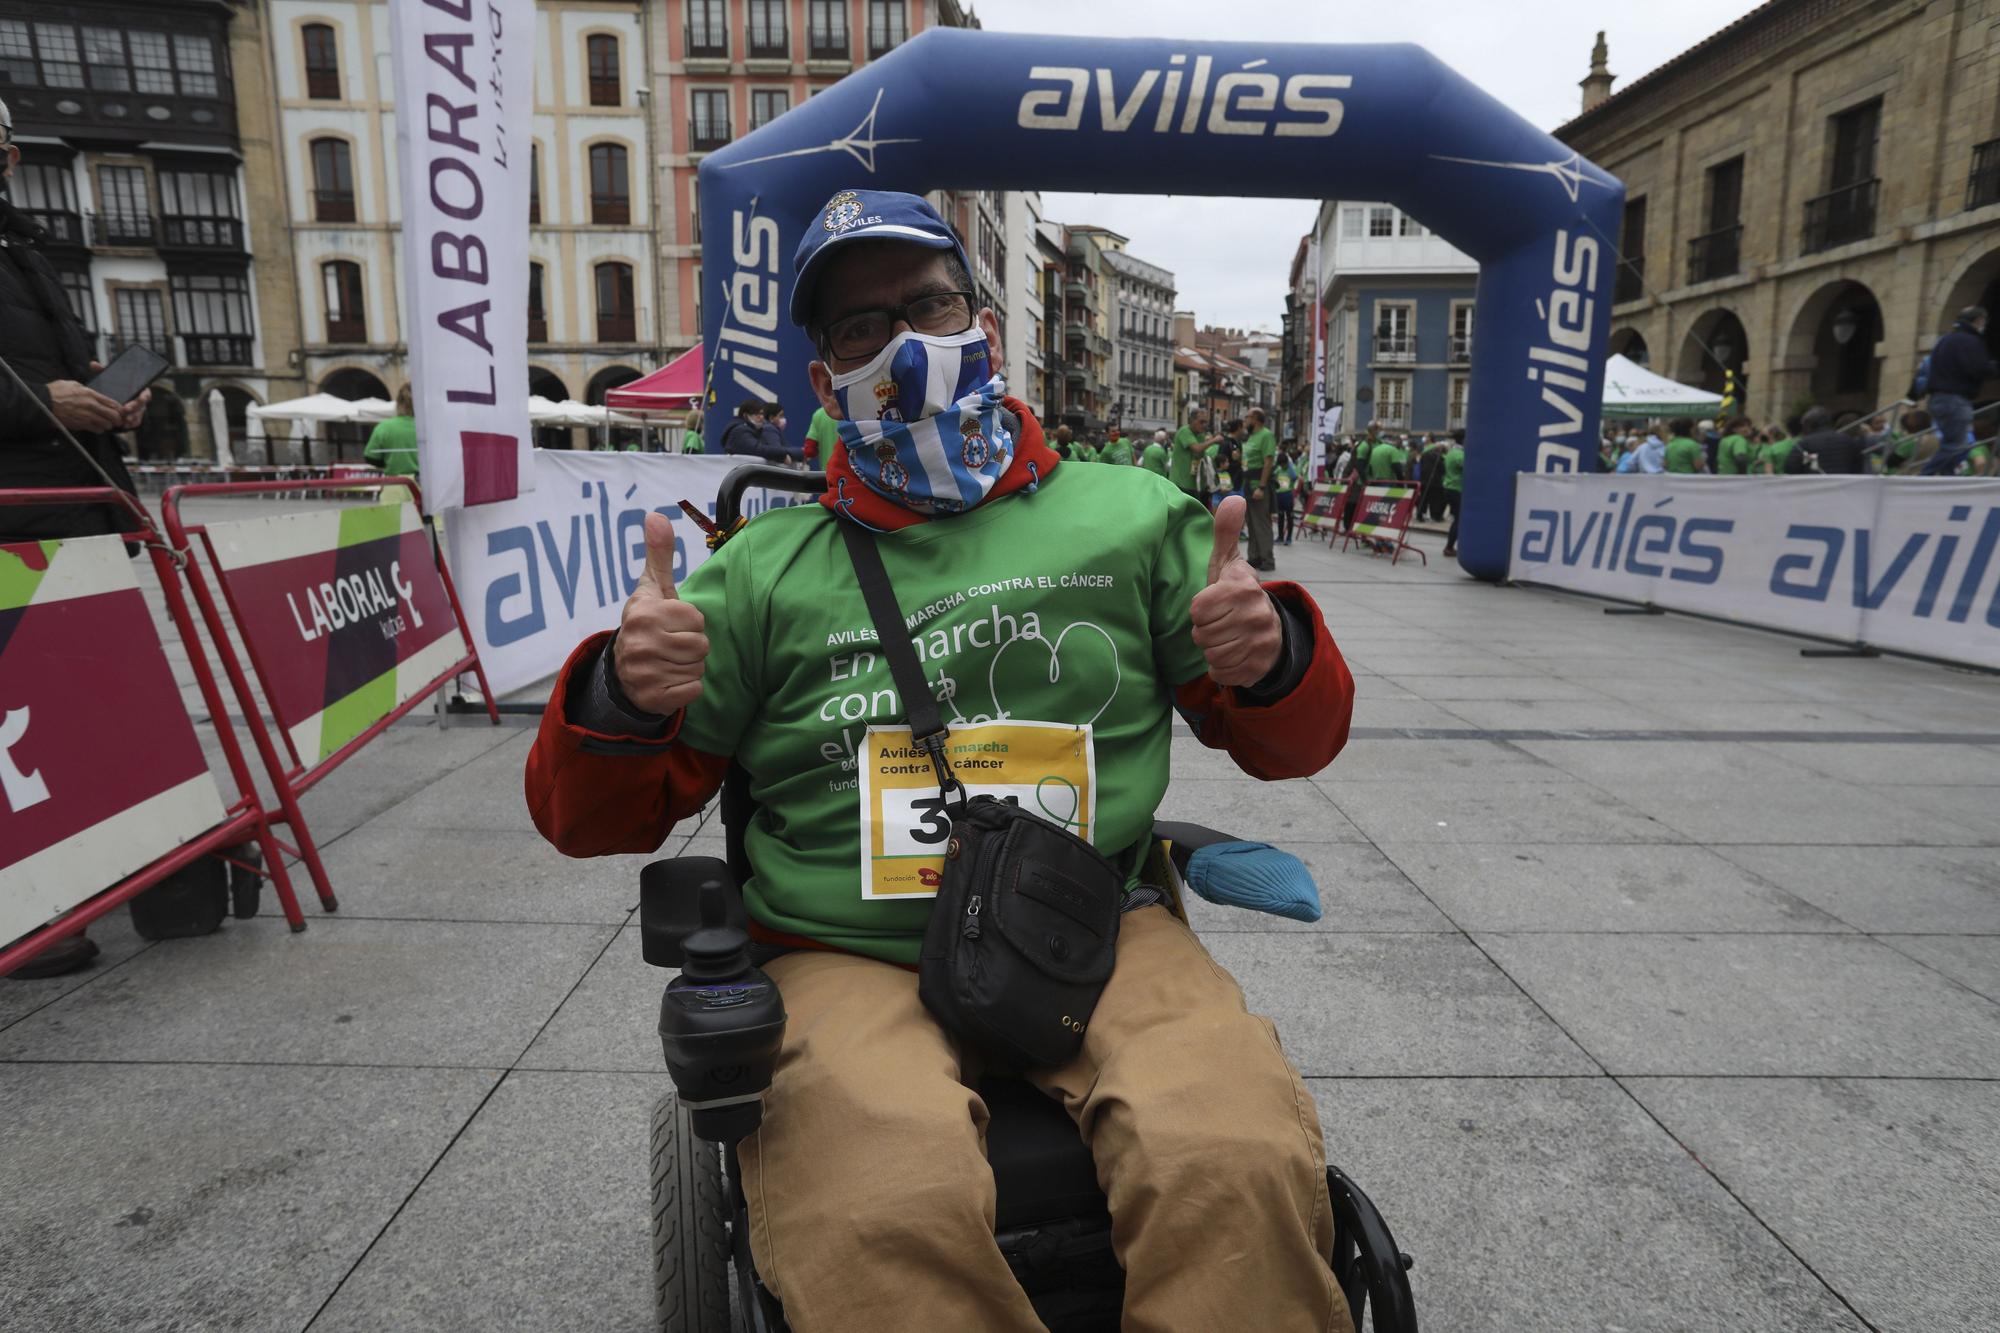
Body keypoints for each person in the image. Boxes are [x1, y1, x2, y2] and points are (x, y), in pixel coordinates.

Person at [525, 188, 1356, 1333]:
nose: (903, 344)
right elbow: (590, 820)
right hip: (843, 950)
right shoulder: (757, 570)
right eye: (860, 329)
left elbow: (1292, 740)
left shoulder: (1131, 516)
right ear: (824, 383)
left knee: (1232, 1152)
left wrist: (1269, 658)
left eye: (927, 305)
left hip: (1091, 920)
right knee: (881, 1201)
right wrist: (624, 695)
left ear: (984, 329)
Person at [0, 95, 152, 978]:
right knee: (21, 716)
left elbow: (43, 366)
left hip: (72, 500)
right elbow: (27, 383)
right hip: (18, 510)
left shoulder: (22, 246)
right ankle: (34, 908)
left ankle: (99, 865)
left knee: (84, 703)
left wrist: (98, 393)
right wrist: (40, 399)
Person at [1919, 306, 1999, 474]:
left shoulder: (1946, 340)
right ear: (1978, 321)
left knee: (1953, 445)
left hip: (1939, 399)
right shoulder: (1969, 341)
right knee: (1957, 446)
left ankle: (1947, 479)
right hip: (1954, 399)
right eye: (1983, 321)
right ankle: (1924, 477)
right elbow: (1978, 368)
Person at [1241, 406, 1277, 572]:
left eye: (1247, 417)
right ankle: (1254, 556)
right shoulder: (1251, 437)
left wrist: (1261, 486)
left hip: (1258, 485)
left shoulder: (1266, 435)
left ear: (1255, 418)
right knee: (1251, 523)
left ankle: (1267, 559)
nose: (1245, 420)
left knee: (1261, 523)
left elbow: (1268, 462)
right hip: (1248, 484)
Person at [364, 383, 421, 479]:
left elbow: (370, 456)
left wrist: (388, 460)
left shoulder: (384, 427)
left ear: (398, 403)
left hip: (394, 484)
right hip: (424, 485)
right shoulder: (427, 428)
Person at [1793, 407, 1867, 474]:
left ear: (1809, 424)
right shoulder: (1849, 441)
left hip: (1813, 486)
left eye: (1804, 426)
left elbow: (1792, 467)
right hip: (1843, 486)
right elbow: (1858, 467)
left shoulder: (1804, 443)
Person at [1169, 409, 1215, 507]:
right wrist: (1214, 440)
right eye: (1201, 422)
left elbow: (1201, 455)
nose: (1204, 425)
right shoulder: (1184, 431)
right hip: (1181, 483)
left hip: (1196, 484)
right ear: (1191, 420)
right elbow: (1197, 448)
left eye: (1206, 422)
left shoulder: (1201, 435)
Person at [1439, 428, 1466, 559]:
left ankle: (1452, 546)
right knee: (1459, 519)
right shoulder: (1460, 455)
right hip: (1456, 489)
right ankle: (1449, 547)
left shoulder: (1451, 452)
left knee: (1457, 518)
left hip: (1449, 487)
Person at [1271, 441, 1300, 546]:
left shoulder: (1290, 469)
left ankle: (1289, 538)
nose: (1283, 466)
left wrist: (1289, 467)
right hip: (1279, 495)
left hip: (1288, 495)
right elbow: (1273, 476)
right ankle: (1280, 536)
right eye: (1281, 464)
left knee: (1290, 516)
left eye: (1284, 464)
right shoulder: (1278, 469)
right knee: (1280, 516)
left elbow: (1295, 477)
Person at [804, 404, 839, 469]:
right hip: (850, 473)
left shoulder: (818, 414)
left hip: (826, 473)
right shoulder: (849, 413)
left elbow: (809, 450)